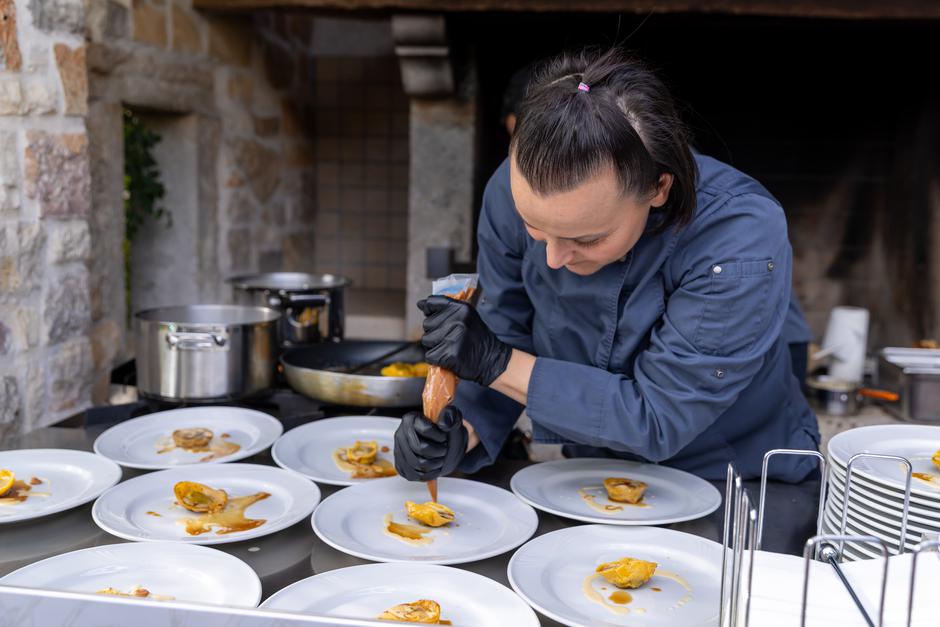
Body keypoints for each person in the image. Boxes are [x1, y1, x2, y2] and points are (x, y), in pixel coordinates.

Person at [393, 48, 820, 485]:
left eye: (587, 239)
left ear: (658, 188)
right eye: (534, 228)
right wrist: (461, 431)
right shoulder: (511, 190)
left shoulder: (738, 233)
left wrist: (496, 362)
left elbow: (659, 417)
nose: (553, 259)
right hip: (590, 473)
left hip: (738, 477)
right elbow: (507, 334)